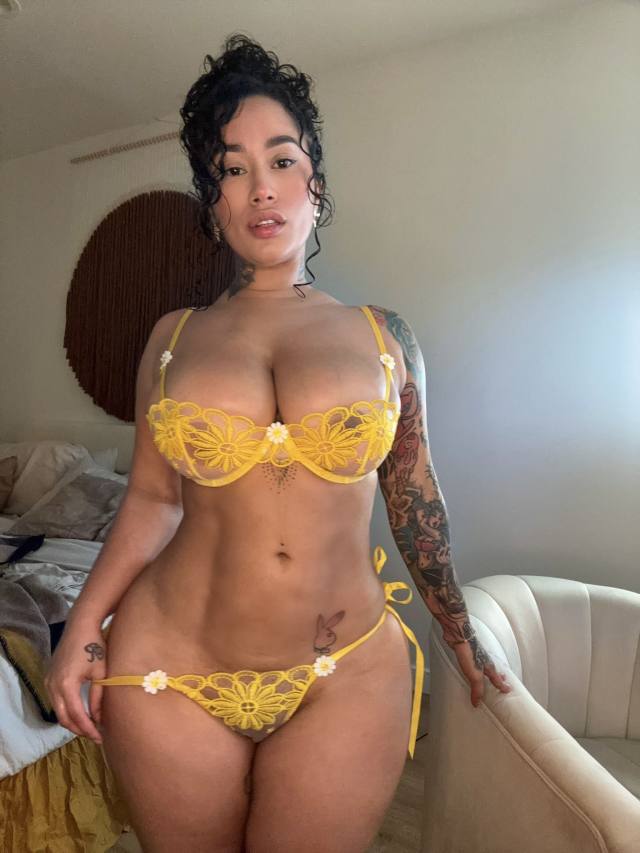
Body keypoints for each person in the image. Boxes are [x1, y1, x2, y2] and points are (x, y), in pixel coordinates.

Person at [45, 32, 511, 853]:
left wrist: (456, 626)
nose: (261, 187)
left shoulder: (384, 336)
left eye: (282, 159)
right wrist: (83, 626)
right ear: (214, 201)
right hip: (171, 669)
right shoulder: (171, 339)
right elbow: (151, 500)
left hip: (346, 670)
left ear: (315, 184)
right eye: (232, 169)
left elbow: (414, 494)